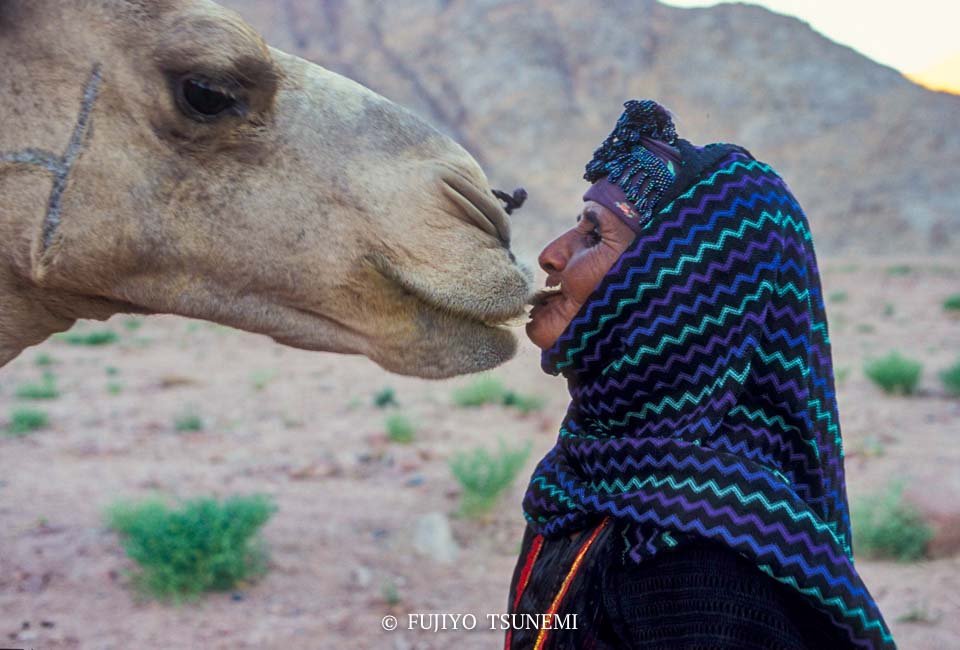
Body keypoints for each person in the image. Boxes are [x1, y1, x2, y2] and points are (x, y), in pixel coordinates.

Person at [506, 100, 895, 650]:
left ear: (670, 294)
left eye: (593, 236)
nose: (550, 255)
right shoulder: (597, 464)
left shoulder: (707, 565)